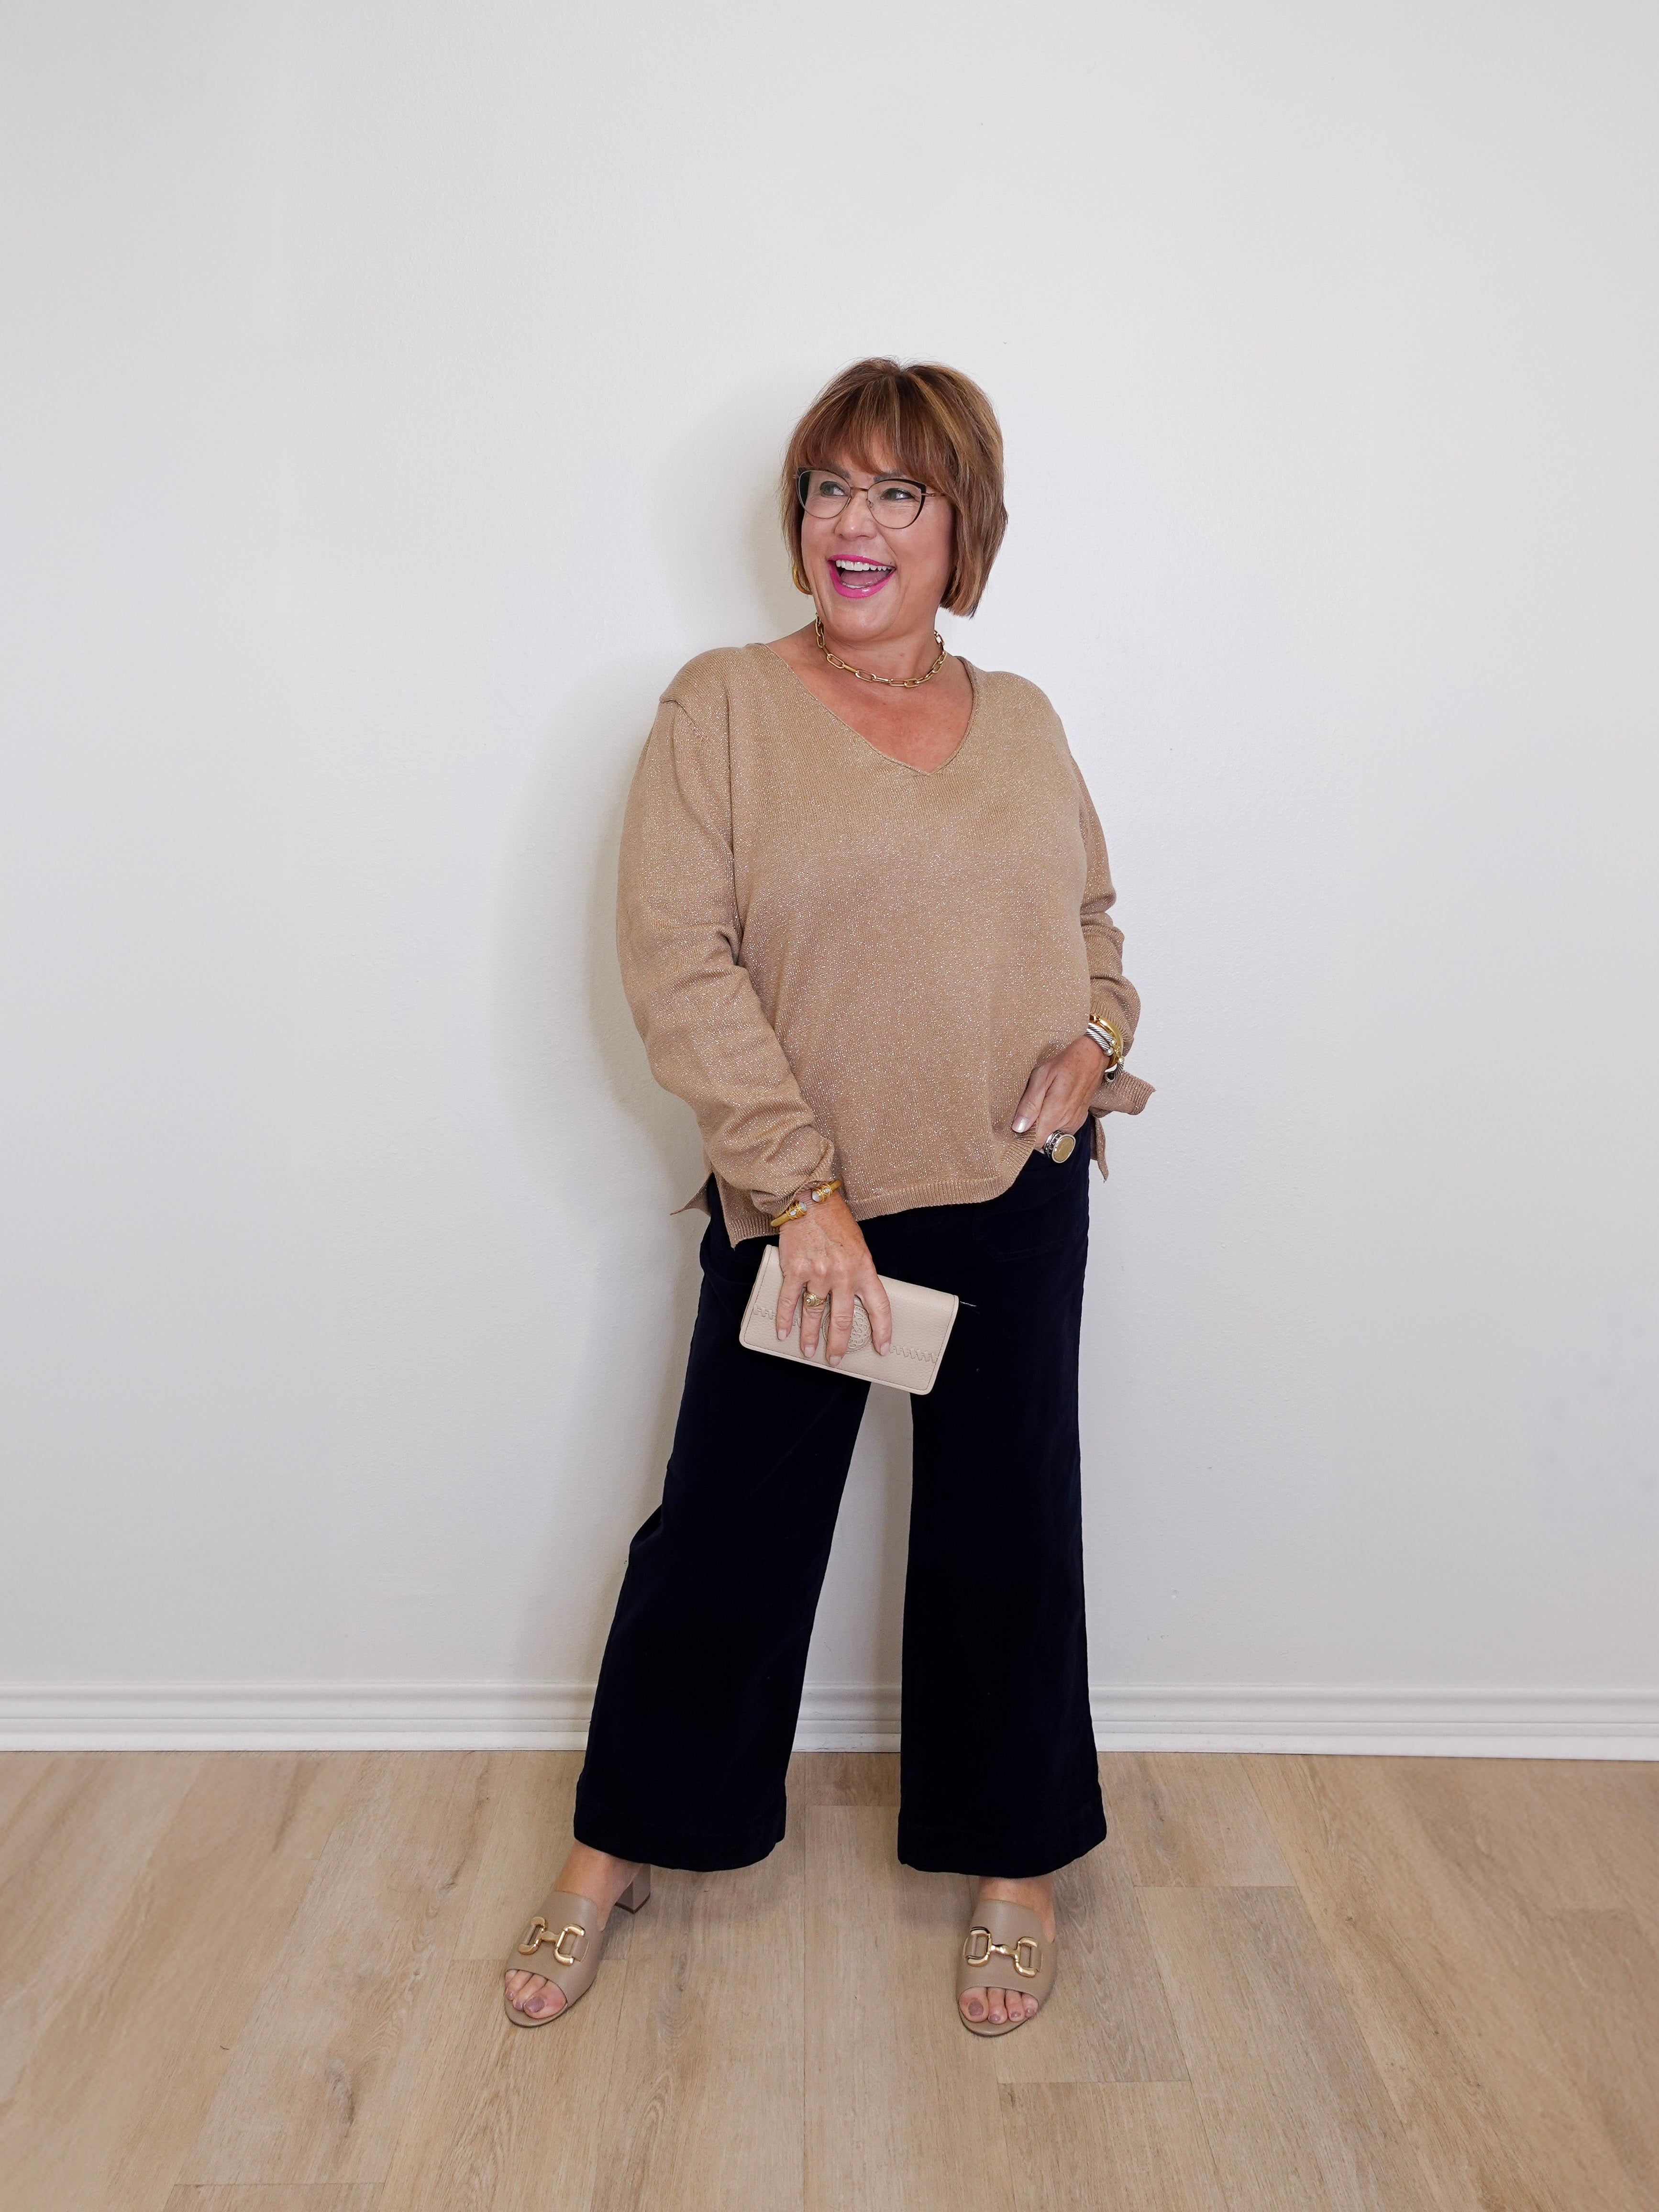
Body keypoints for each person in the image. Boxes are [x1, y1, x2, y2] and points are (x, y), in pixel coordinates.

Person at [505, 357, 1151, 2038]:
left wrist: (1091, 1050)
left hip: (1014, 1194)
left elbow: (1096, 933)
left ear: (962, 529)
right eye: (827, 489)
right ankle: (618, 1845)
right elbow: (677, 959)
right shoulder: (719, 706)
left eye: (896, 494)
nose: (852, 526)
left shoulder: (1023, 723)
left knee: (1011, 1534)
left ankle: (1016, 1863)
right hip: (812, 1212)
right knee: (724, 1532)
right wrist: (797, 1193)